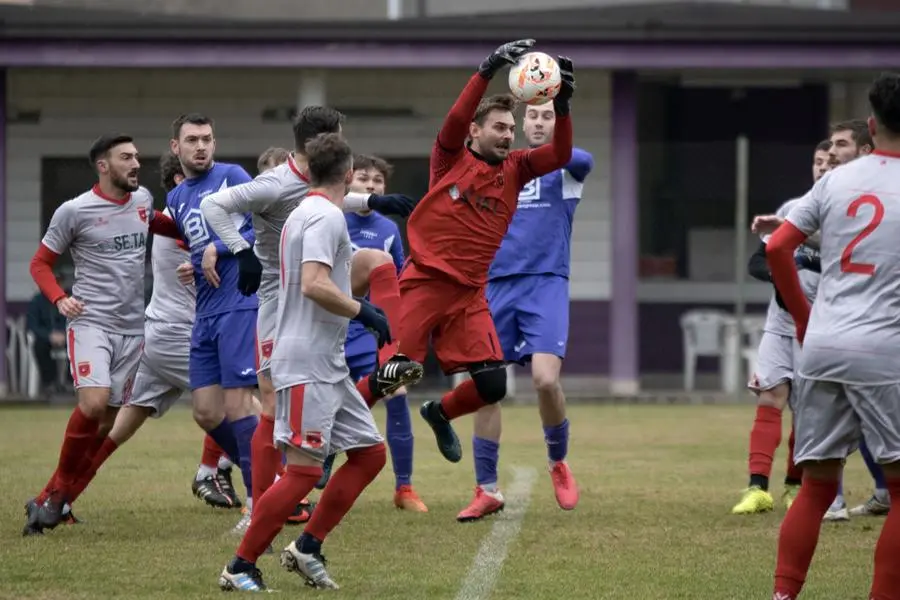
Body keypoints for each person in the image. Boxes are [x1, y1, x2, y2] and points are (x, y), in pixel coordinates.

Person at [199, 107, 420, 526]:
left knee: (376, 261)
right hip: (279, 297)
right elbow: (214, 205)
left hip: (319, 279)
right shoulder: (274, 183)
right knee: (269, 404)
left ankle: (393, 357)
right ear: (325, 138)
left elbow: (332, 194)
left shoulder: (315, 180)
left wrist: (373, 201)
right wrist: (240, 250)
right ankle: (258, 506)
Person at [218, 133, 395, 592]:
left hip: (327, 361)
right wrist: (365, 311)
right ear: (350, 174)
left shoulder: (305, 211)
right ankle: (240, 565)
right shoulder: (322, 216)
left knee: (370, 454)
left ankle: (307, 547)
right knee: (302, 471)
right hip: (304, 360)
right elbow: (314, 283)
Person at [396, 41, 573, 480]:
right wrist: (487, 69)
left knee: (493, 385)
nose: (507, 134)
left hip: (470, 293)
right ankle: (324, 445)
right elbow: (456, 119)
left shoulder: (515, 168)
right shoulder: (449, 159)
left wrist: (563, 105)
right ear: (475, 132)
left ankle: (439, 412)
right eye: (498, 126)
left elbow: (561, 156)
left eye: (510, 128)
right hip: (425, 282)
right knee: (394, 375)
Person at [765, 71, 900, 600]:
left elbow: (777, 247)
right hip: (883, 350)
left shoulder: (835, 180)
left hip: (822, 345)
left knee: (817, 486)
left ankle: (782, 595)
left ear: (871, 125)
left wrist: (804, 317)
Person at [23, 134, 182, 535]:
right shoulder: (74, 211)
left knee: (105, 425)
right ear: (103, 165)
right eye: (126, 157)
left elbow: (165, 226)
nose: (135, 163)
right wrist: (60, 299)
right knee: (92, 406)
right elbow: (40, 264)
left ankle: (49, 499)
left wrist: (203, 238)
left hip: (133, 328)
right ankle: (58, 495)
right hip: (91, 323)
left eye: (136, 157)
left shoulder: (143, 200)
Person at [457, 100, 593, 521]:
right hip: (495, 285)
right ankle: (486, 489)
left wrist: (563, 108)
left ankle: (558, 461)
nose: (537, 123)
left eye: (547, 116)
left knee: (545, 379)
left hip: (546, 282)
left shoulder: (568, 167)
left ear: (558, 123)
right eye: (531, 116)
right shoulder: (497, 167)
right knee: (487, 387)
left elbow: (580, 156)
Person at [165, 113, 260, 534]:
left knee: (239, 404)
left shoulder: (232, 176)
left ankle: (259, 504)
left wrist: (220, 248)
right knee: (205, 412)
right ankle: (271, 473)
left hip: (240, 303)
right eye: (191, 140)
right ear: (176, 148)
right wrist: (194, 263)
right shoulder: (177, 197)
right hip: (204, 311)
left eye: (206, 139)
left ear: (215, 143)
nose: (200, 147)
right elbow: (199, 246)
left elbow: (264, 226)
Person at [732, 139, 832, 516]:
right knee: (769, 397)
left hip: (823, 326)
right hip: (781, 320)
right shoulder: (794, 210)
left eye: (830, 161)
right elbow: (758, 261)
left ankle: (794, 487)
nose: (822, 168)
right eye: (817, 161)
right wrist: (782, 275)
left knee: (806, 411)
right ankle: (757, 488)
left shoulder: (845, 215)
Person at [340, 154, 425, 511]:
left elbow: (401, 279)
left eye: (378, 181)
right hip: (326, 326)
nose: (371, 186)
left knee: (397, 391)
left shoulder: (389, 229)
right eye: (363, 178)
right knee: (323, 403)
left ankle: (404, 488)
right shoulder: (331, 217)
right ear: (348, 182)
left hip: (366, 331)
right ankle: (311, 478)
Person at [26, 272, 69, 394]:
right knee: (39, 347)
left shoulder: (68, 300)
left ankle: (70, 382)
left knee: (78, 345)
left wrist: (64, 335)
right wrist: (49, 336)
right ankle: (50, 383)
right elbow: (32, 325)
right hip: (46, 338)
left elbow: (73, 321)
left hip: (65, 336)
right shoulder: (37, 301)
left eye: (59, 282)